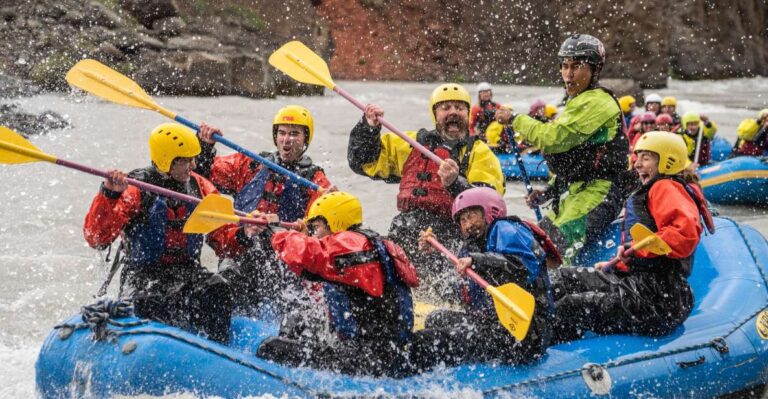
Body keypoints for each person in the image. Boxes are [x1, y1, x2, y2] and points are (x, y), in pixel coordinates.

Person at [83, 123, 237, 343]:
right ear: (167, 160)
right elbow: (97, 238)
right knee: (157, 301)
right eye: (185, 160)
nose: (193, 165)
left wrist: (245, 233)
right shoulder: (135, 189)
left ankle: (217, 353)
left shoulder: (200, 187)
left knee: (217, 288)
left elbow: (223, 239)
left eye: (193, 158)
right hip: (143, 276)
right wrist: (109, 194)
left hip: (186, 271)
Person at [347, 83, 504, 298]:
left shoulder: (479, 152)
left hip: (450, 235)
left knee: (443, 287)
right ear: (434, 114)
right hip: (406, 228)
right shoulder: (412, 143)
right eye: (446, 108)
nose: (453, 113)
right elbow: (363, 161)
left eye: (459, 108)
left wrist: (455, 184)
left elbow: (490, 202)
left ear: (467, 114)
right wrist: (369, 127)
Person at [551, 131, 711, 342]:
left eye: (646, 158)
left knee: (570, 306)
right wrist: (619, 263)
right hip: (642, 286)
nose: (637, 164)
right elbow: (649, 251)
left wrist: (638, 249)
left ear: (667, 162)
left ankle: (552, 361)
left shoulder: (665, 187)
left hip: (658, 299)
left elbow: (685, 234)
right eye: (637, 157)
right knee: (561, 278)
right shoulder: (655, 188)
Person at [257, 192, 419, 376]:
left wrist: (275, 230)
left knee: (269, 348)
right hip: (382, 349)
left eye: (316, 227)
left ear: (334, 222)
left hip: (370, 359)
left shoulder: (348, 243)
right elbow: (313, 271)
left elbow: (308, 253)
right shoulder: (370, 243)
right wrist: (298, 235)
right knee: (298, 319)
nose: (314, 233)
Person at [194, 105, 335, 313]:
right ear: (275, 136)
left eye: (294, 134)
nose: (286, 140)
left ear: (306, 140)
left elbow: (325, 234)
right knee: (222, 285)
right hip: (242, 250)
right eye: (282, 133)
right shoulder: (251, 164)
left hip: (282, 263)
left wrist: (333, 202)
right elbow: (203, 173)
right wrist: (205, 146)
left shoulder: (316, 182)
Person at [510, 34, 634, 259]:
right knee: (534, 241)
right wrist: (550, 190)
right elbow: (578, 161)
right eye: (565, 66)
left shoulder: (598, 102)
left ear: (595, 70)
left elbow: (553, 138)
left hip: (599, 194)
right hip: (575, 193)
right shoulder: (577, 102)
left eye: (577, 66)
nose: (568, 74)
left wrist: (514, 119)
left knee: (550, 250)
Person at [414, 187, 559, 367]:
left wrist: (476, 261)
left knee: (428, 341)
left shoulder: (506, 229)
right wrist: (435, 253)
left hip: (525, 331)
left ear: (489, 211)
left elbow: (521, 267)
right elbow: (464, 296)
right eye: (463, 220)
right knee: (435, 318)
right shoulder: (471, 248)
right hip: (493, 324)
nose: (467, 225)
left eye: (472, 216)